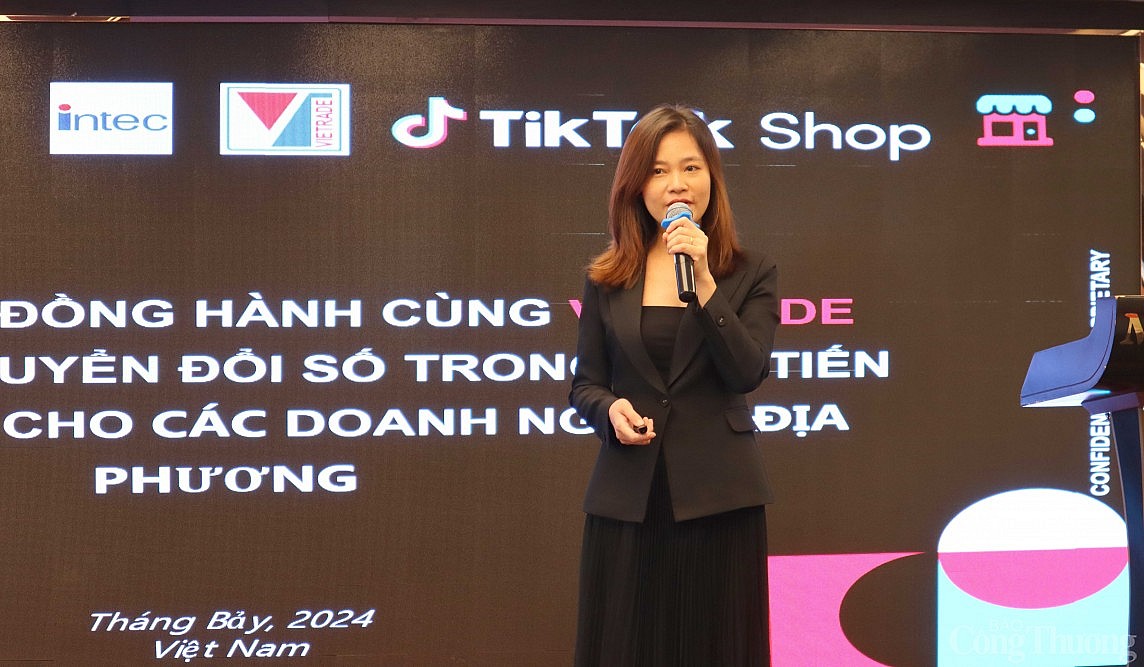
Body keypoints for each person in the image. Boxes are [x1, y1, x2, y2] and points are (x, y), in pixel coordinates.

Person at [569, 104, 779, 666]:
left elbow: (747, 371)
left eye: (691, 168)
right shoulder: (607, 277)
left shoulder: (751, 272)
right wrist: (608, 410)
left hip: (719, 498)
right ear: (636, 186)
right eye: (659, 171)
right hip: (629, 498)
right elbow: (585, 384)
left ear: (712, 177)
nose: (677, 185)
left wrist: (705, 283)